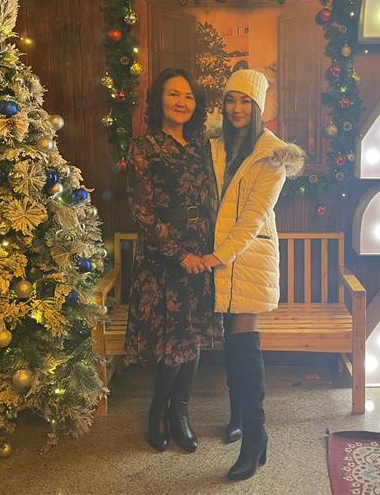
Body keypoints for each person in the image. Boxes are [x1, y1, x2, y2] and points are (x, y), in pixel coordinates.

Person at [202, 69, 305, 481]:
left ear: (258, 107)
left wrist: (218, 256)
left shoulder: (273, 155)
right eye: (231, 100)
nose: (237, 108)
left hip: (249, 257)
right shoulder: (213, 145)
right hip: (216, 255)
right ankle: (237, 417)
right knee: (230, 344)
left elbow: (254, 216)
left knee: (244, 345)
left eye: (246, 101)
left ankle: (255, 436)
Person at [124, 68, 220, 453]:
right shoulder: (144, 147)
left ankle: (181, 412)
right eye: (173, 94)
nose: (182, 102)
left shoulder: (201, 147)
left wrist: (209, 252)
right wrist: (180, 255)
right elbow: (142, 211)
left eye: (188, 96)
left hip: (202, 253)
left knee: (192, 337)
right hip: (164, 258)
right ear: (158, 100)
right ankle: (158, 411)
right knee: (171, 342)